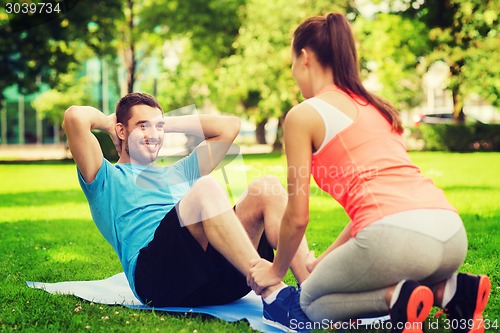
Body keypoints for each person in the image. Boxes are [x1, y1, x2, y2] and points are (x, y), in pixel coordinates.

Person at [247, 13, 491, 333]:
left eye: (292, 64)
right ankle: (454, 292)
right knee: (331, 279)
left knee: (309, 304)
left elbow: (297, 216)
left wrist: (276, 271)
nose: (294, 74)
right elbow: (373, 206)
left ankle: (399, 299)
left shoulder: (303, 115)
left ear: (304, 58)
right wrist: (322, 261)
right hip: (450, 233)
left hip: (397, 240)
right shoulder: (377, 106)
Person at [62, 93, 312, 321]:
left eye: (157, 127)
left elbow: (229, 126)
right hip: (159, 281)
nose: (153, 135)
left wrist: (161, 122)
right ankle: (273, 293)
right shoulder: (105, 177)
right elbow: (74, 117)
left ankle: (312, 293)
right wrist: (109, 123)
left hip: (219, 278)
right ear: (121, 130)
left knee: (265, 187)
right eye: (141, 126)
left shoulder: (178, 172)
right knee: (205, 188)